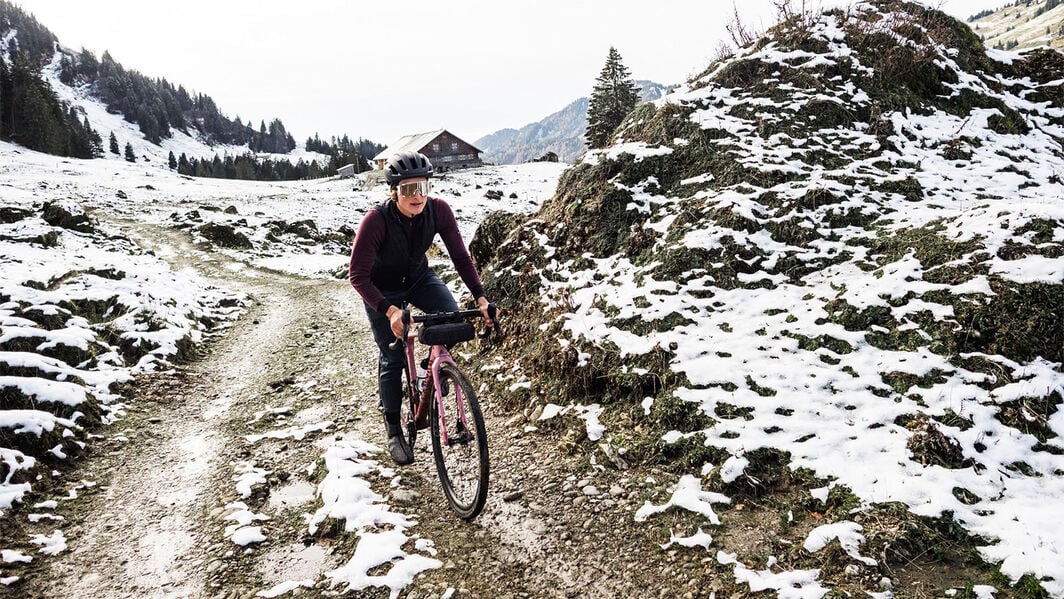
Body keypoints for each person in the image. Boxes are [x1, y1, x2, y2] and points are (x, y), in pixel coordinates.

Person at [349, 151, 492, 466]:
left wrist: (480, 296)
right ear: (394, 191)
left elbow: (460, 256)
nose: (417, 196)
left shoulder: (439, 211)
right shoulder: (376, 220)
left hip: (419, 278)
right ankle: (393, 429)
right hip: (381, 289)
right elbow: (357, 275)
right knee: (393, 354)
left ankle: (432, 371)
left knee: (451, 318)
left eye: (422, 187)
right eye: (408, 189)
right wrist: (389, 311)